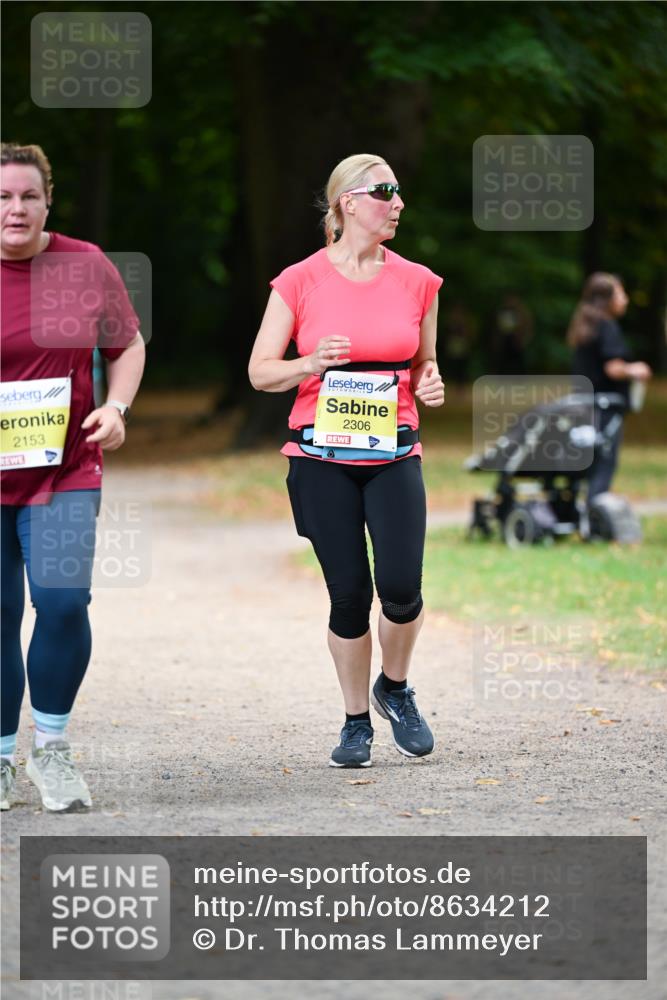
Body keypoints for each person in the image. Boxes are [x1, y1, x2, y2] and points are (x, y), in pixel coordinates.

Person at [248, 153, 444, 768]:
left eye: (399, 192)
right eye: (385, 191)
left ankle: (396, 687)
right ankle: (356, 721)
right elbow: (259, 372)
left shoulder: (420, 282)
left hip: (392, 453)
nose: (398, 203)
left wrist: (431, 383)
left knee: (402, 589)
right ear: (347, 203)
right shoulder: (299, 280)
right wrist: (308, 364)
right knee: (348, 594)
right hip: (322, 457)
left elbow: (423, 366)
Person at [0, 143, 145, 810]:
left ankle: (50, 749)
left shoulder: (84, 265)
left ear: (47, 202)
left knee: (61, 601)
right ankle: (1, 756)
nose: (15, 208)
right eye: (3, 197)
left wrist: (116, 407)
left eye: (28, 195)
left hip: (65, 469)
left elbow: (127, 345)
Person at [567, 272, 652, 502]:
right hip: (605, 407)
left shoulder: (585, 326)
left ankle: (583, 512)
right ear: (607, 299)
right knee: (604, 463)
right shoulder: (607, 327)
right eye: (621, 294)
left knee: (587, 463)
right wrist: (636, 369)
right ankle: (597, 515)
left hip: (584, 405)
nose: (625, 299)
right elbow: (613, 367)